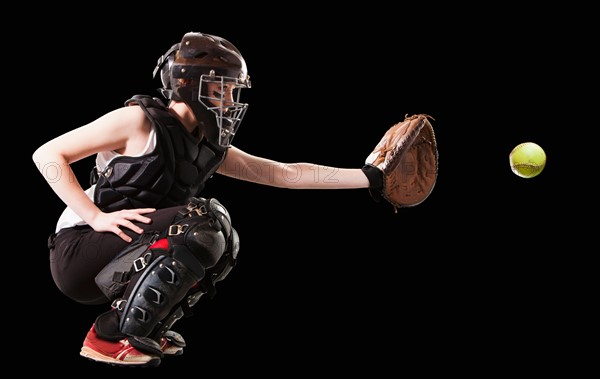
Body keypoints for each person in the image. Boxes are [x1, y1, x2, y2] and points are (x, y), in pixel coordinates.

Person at [32, 31, 381, 368]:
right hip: (78, 251)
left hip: (119, 259)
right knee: (204, 220)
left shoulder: (206, 146)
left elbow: (284, 173)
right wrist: (95, 217)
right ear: (189, 84)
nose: (230, 101)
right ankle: (108, 337)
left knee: (224, 239)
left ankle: (143, 327)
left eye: (232, 91)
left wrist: (369, 176)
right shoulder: (139, 121)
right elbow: (47, 154)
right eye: (222, 89)